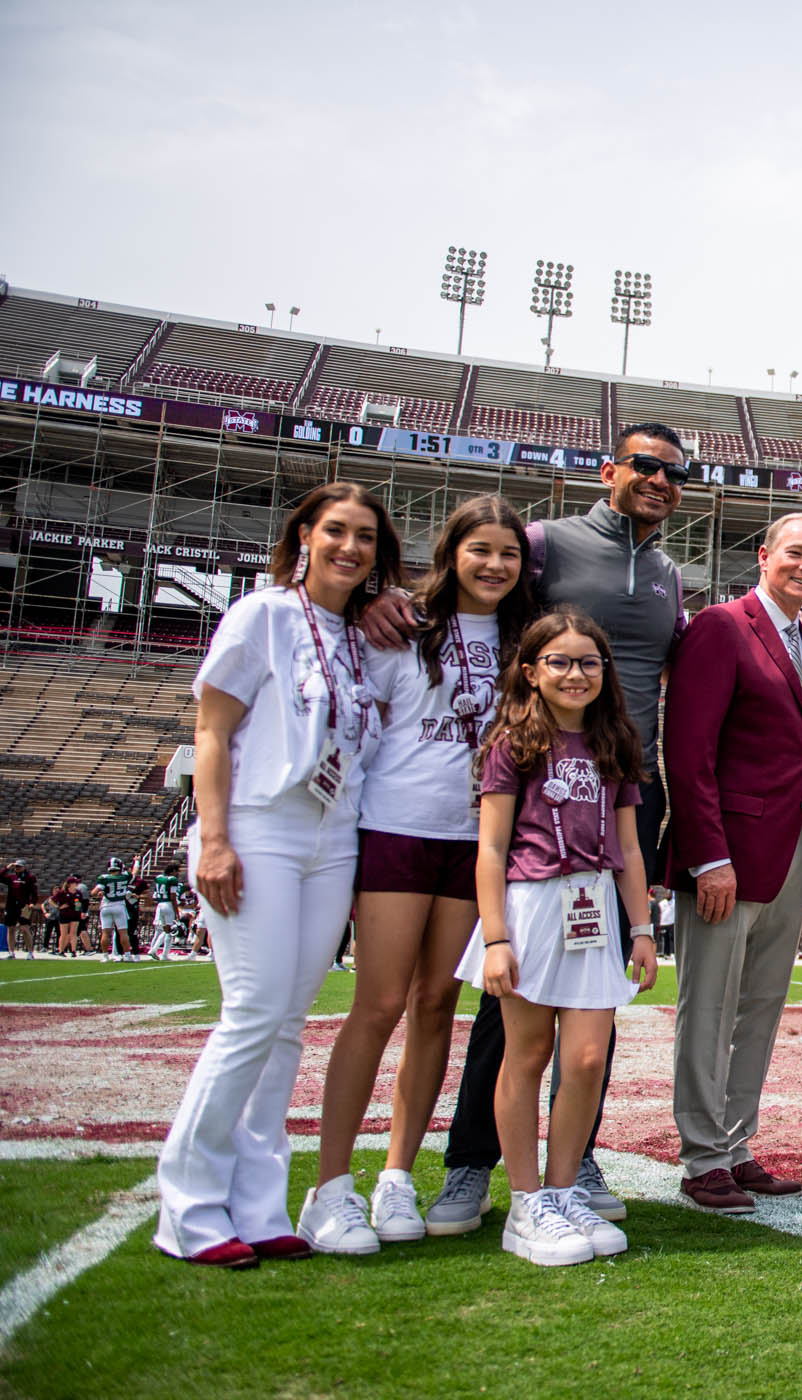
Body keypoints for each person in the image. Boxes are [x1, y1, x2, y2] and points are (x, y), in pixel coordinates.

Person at [417, 425, 692, 1234]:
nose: (657, 480)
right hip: (539, 778)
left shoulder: (672, 574)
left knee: (591, 1004)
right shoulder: (545, 544)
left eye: (674, 473)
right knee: (509, 1013)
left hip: (620, 776)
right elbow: (477, 586)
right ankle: (470, 1165)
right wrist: (396, 613)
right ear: (609, 470)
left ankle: (576, 1163)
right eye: (643, 465)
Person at [154, 481, 401, 1268]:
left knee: (289, 1024)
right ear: (303, 536)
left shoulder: (361, 636)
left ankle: (259, 1208)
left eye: (365, 537)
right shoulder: (260, 615)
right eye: (335, 531)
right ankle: (187, 1210)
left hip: (332, 839)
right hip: (260, 824)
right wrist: (215, 837)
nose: (350, 548)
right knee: (252, 1014)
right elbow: (212, 729)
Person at [298, 496, 533, 1254]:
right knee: (379, 1003)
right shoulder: (400, 628)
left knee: (437, 1006)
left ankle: (397, 1174)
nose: (494, 565)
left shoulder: (524, 642)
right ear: (451, 553)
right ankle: (331, 1185)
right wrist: (374, 600)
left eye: (509, 553)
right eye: (480, 550)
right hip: (398, 830)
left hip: (477, 841)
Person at [454, 610, 658, 1266]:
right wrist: (494, 938)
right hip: (532, 904)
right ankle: (525, 1202)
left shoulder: (616, 741)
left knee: (588, 1060)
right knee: (526, 1052)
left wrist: (642, 929)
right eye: (561, 662)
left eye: (588, 662)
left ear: (605, 672)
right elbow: (489, 848)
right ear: (531, 671)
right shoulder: (512, 741)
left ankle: (564, 1188)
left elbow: (627, 846)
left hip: (596, 906)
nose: (576, 673)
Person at [664, 511, 802, 1213]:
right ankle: (702, 1155)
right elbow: (688, 748)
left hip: (790, 845)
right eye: (796, 554)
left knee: (760, 1008)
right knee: (707, 1007)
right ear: (764, 556)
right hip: (728, 851)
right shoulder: (720, 626)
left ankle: (735, 1145)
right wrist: (708, 856)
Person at [94, 857, 132, 962]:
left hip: (106, 906)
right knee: (123, 933)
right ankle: (127, 955)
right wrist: (137, 862)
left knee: (105, 933)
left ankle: (105, 956)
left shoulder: (104, 878)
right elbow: (134, 871)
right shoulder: (125, 877)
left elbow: (93, 892)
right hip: (119, 906)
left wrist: (103, 891)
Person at [146, 862, 185, 959]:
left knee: (160, 930)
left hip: (160, 905)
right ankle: (157, 951)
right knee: (169, 930)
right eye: (177, 871)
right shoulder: (172, 880)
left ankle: (157, 951)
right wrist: (176, 912)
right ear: (173, 871)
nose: (178, 873)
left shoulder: (159, 878)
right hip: (168, 905)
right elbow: (172, 897)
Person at [3, 858, 38, 959]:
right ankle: (11, 952)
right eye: (16, 866)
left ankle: (30, 952)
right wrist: (7, 868)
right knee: (11, 928)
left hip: (24, 906)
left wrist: (32, 903)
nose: (17, 868)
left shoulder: (30, 877)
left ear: (24, 867)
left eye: (19, 866)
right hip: (11, 905)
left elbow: (34, 892)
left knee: (24, 928)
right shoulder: (11, 877)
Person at [49, 875, 84, 958]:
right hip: (64, 914)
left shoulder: (78, 893)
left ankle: (73, 950)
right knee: (64, 933)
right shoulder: (63, 892)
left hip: (75, 914)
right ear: (70, 884)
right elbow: (51, 900)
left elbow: (79, 904)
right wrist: (58, 907)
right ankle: (61, 950)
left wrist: (78, 907)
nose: (76, 884)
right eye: (75, 883)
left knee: (73, 933)